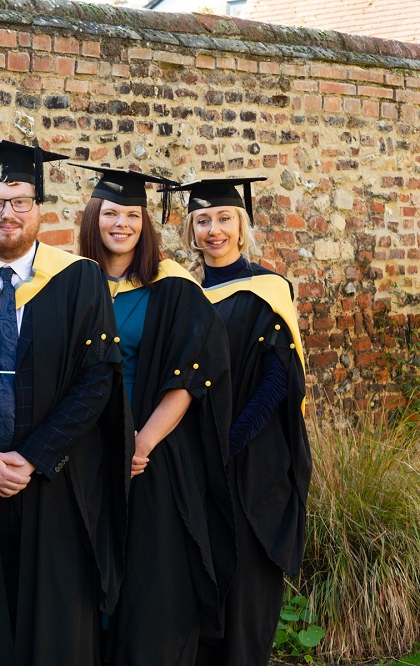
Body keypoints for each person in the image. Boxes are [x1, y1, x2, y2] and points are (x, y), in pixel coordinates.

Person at [0, 141, 133, 666]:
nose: (8, 214)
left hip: (53, 480)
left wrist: (35, 456)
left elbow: (97, 381)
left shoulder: (78, 279)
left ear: (39, 208)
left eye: (20, 201)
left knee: (56, 633)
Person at [74, 166, 236, 665]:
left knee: (150, 575)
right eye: (110, 213)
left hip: (151, 453)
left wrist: (139, 444)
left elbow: (188, 378)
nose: (120, 224)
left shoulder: (172, 287)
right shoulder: (70, 281)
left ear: (146, 223)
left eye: (131, 215)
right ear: (92, 219)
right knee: (81, 568)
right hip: (77, 450)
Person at [171, 177, 312, 665]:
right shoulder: (180, 291)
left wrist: (231, 442)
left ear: (241, 225)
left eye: (224, 219)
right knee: (198, 575)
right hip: (191, 459)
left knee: (248, 580)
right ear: (191, 228)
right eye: (203, 220)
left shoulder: (268, 290)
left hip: (252, 460)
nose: (214, 230)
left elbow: (278, 382)